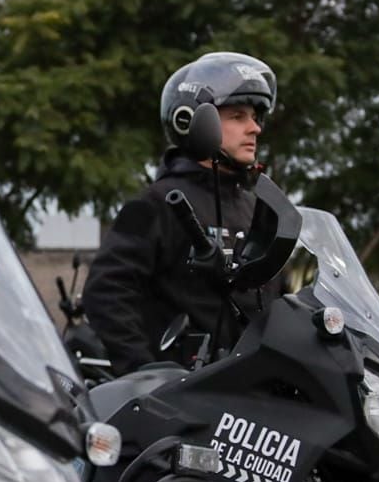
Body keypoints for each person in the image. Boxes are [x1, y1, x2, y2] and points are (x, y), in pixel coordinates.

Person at [81, 52, 282, 374]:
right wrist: (145, 375)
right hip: (182, 403)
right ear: (191, 121)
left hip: (251, 395)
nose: (254, 128)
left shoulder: (255, 207)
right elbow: (106, 293)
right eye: (238, 116)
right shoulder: (155, 204)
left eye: (256, 117)